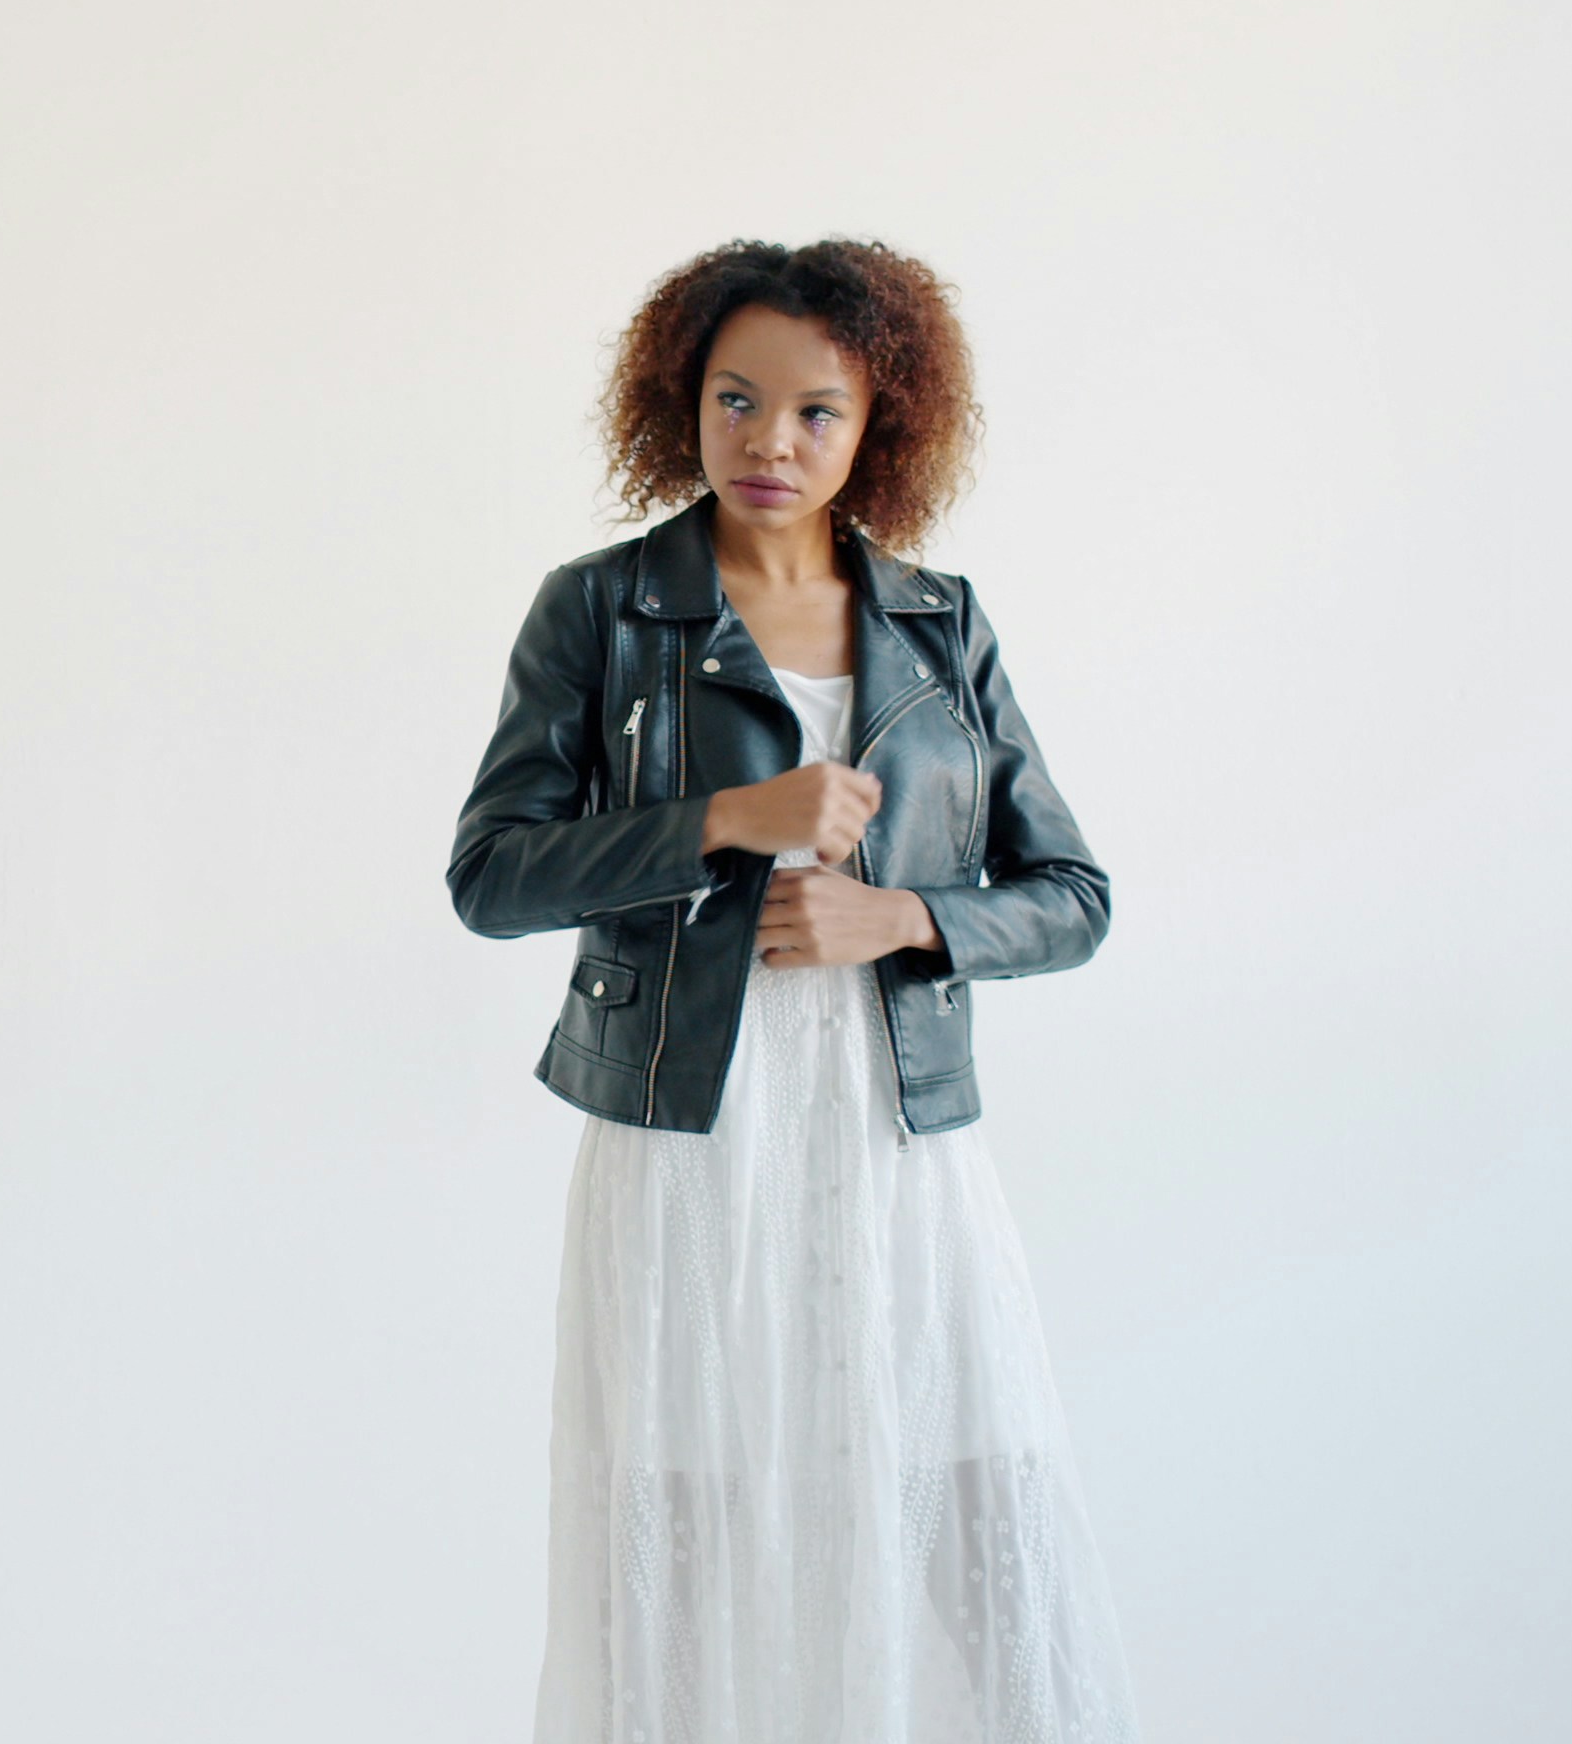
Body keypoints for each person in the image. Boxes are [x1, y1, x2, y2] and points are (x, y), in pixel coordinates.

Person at [449, 240, 1136, 1743]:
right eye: (736, 399)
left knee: (978, 1503)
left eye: (816, 411)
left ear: (877, 425)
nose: (770, 441)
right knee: (683, 1556)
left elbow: (1071, 898)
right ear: (678, 405)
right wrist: (720, 824)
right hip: (692, 1143)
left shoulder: (941, 624)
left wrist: (899, 914)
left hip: (902, 1148)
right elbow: (493, 877)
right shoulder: (605, 610)